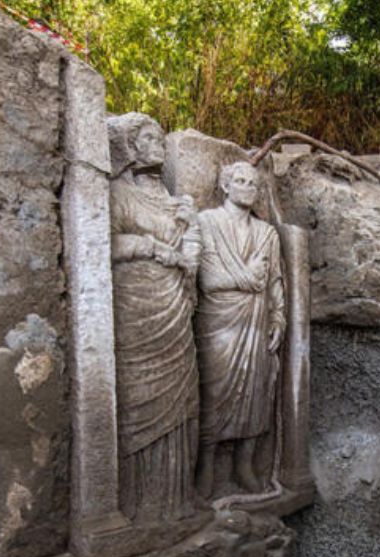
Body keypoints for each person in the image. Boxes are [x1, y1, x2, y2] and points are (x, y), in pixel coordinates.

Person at [107, 113, 202, 523]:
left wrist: (190, 228)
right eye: (148, 137)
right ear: (129, 146)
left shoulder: (174, 201)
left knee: (180, 398)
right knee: (140, 397)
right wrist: (150, 246)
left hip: (176, 307)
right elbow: (105, 242)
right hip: (137, 306)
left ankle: (175, 500)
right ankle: (138, 503)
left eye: (161, 137)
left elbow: (193, 254)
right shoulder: (117, 195)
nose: (158, 144)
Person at [194, 161, 286, 498]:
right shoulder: (206, 222)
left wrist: (278, 319)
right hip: (218, 323)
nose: (247, 187)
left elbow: (274, 281)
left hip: (257, 322)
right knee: (213, 391)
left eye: (253, 183)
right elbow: (210, 280)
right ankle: (205, 465)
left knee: (256, 391)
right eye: (240, 180)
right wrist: (248, 279)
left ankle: (244, 465)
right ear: (225, 186)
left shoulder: (267, 234)